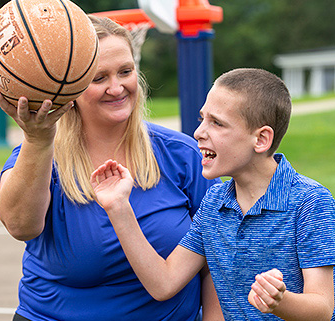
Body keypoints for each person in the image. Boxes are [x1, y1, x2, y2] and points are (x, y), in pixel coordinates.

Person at [0, 15, 222, 321]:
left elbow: (217, 258)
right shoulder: (39, 155)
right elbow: (20, 226)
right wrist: (38, 139)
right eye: (99, 78)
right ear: (70, 87)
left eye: (125, 72)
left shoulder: (181, 154)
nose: (116, 88)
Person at [90, 68, 335, 321]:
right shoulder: (215, 203)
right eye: (202, 119)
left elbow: (323, 308)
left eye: (217, 123)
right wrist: (119, 208)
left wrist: (280, 301)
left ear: (261, 139)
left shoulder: (311, 203)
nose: (199, 133)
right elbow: (163, 283)